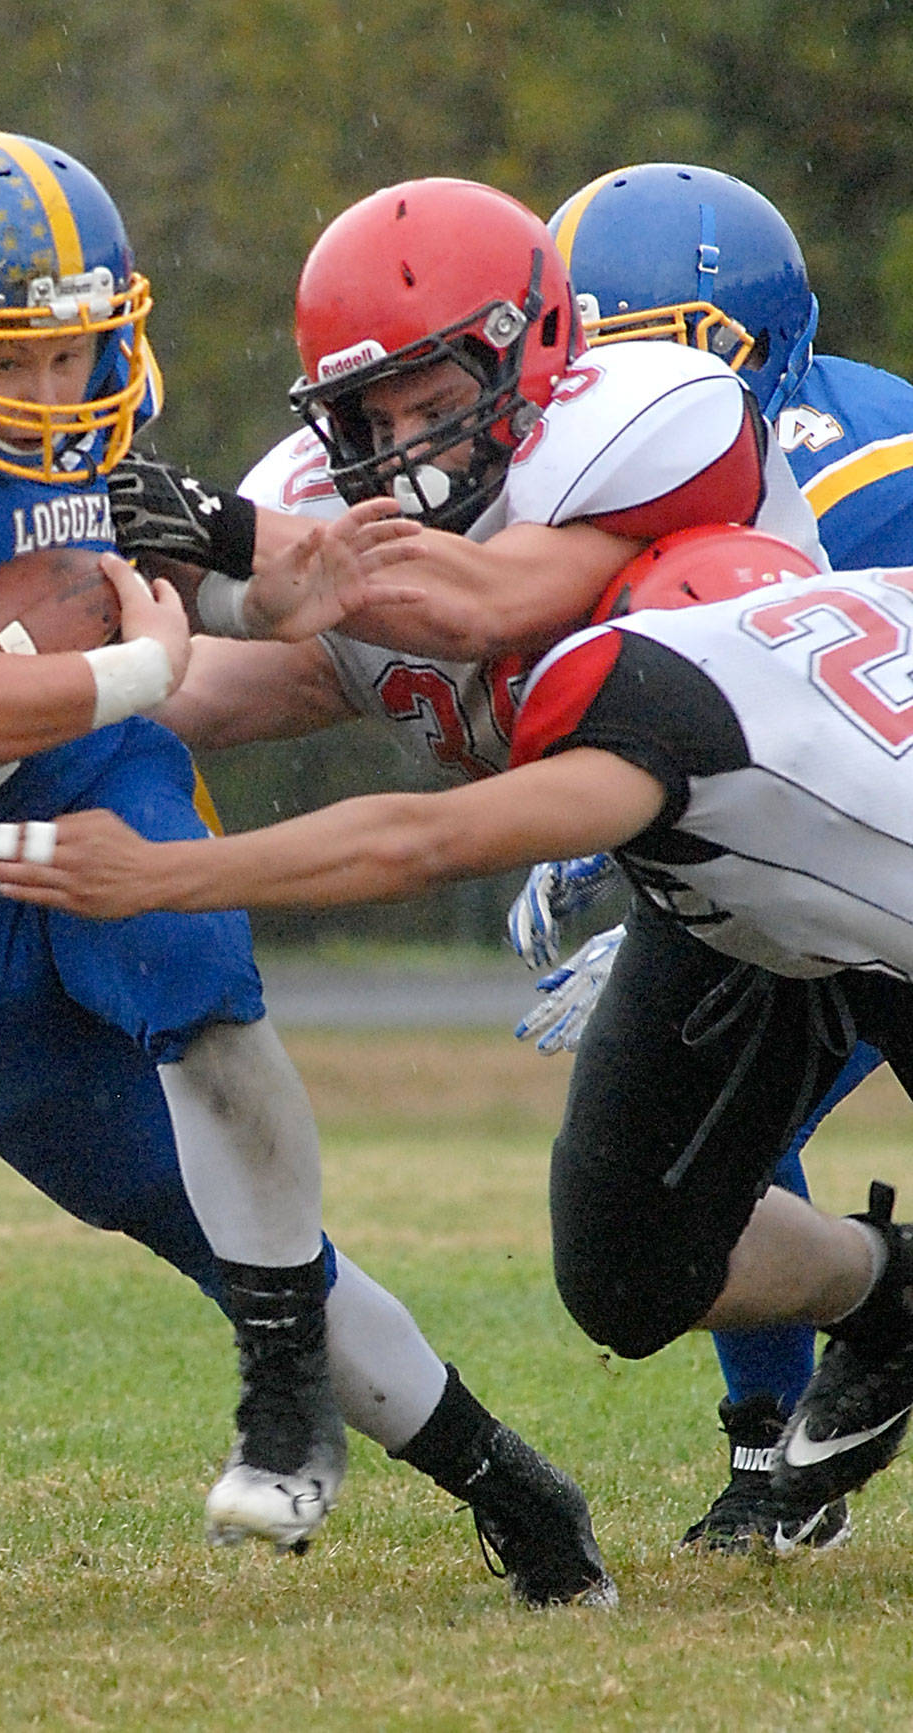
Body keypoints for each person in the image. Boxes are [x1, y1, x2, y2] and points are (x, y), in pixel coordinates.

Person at [0, 131, 615, 1607]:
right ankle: (503, 1476)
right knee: (200, 1218)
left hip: (83, 777)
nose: (59, 395)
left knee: (199, 990)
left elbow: (187, 544)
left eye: (80, 352)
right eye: (17, 359)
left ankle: (278, 1389)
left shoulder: (73, 418)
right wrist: (151, 661)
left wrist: (281, 582)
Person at [100, 175, 837, 1549]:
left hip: (862, 861)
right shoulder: (342, 526)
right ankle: (890, 1293)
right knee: (625, 1275)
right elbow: (201, 687)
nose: (402, 447)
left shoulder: (648, 417)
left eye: (432, 402)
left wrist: (221, 537)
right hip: (715, 902)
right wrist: (52, 633)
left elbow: (482, 603)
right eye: (367, 419)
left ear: (535, 347)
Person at [0, 520, 913, 1540]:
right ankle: (889, 1295)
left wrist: (157, 874)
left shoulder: (668, 697)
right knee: (628, 1266)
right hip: (800, 900)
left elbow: (414, 843)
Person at [508, 161, 913, 1549]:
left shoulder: (858, 480)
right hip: (797, 854)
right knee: (691, 1160)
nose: (612, 404)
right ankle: (775, 1430)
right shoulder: (598, 478)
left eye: (655, 360)